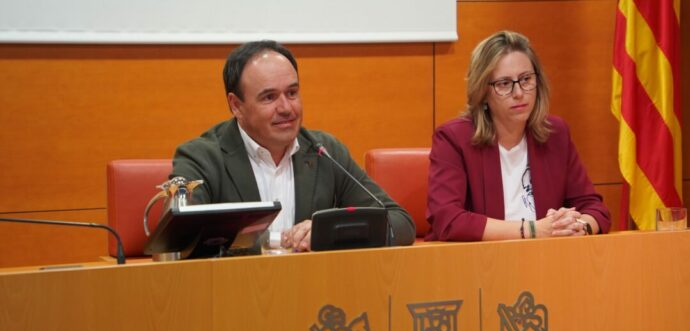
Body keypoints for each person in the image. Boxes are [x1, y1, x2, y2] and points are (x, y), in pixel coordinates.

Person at [171, 41, 416, 251]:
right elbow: (180, 239)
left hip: (313, 287)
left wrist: (329, 232)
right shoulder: (202, 158)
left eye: (292, 93)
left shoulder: (324, 151)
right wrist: (280, 240)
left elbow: (400, 223)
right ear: (236, 105)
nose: (286, 108)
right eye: (269, 97)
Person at [426, 31, 610, 241]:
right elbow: (448, 220)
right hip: (480, 259)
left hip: (544, 257)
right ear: (482, 92)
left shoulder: (555, 134)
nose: (519, 93)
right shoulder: (453, 138)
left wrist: (578, 226)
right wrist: (533, 230)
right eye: (504, 83)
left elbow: (594, 208)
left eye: (526, 79)